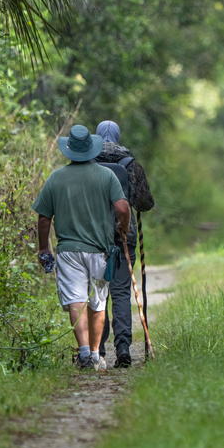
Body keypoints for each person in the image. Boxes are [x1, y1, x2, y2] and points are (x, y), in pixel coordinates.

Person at [34, 124, 131, 371]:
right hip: (100, 249)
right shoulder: (107, 176)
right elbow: (122, 207)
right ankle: (97, 356)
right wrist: (123, 227)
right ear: (90, 149)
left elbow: (44, 218)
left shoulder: (56, 177)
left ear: (69, 151)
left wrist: (44, 247)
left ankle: (84, 353)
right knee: (98, 303)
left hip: (68, 251)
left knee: (76, 300)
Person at [94, 120, 155, 368]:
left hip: (94, 236)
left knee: (99, 292)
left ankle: (98, 350)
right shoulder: (131, 165)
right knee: (120, 291)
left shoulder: (87, 162)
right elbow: (145, 203)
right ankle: (123, 349)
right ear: (118, 137)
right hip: (123, 236)